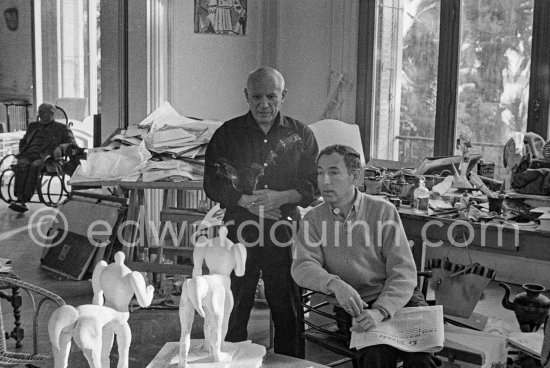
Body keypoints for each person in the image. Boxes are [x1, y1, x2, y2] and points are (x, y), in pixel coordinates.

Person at [203, 66, 318, 357]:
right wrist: (245, 201)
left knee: (287, 306)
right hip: (240, 229)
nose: (264, 104)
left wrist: (281, 197)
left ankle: (290, 363)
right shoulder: (227, 134)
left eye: (271, 96)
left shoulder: (302, 134)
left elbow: (313, 184)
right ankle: (231, 359)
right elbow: (212, 184)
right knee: (235, 302)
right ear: (246, 96)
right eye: (256, 97)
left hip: (284, 229)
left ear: (284, 96)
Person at [291, 144, 441, 368]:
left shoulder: (383, 211)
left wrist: (381, 310)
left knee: (422, 356)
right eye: (320, 173)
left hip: (399, 298)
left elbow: (403, 272)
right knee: (375, 355)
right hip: (354, 304)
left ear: (355, 176)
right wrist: (335, 284)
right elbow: (303, 266)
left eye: (333, 172)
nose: (324, 181)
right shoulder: (313, 219)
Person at [9, 102, 76, 212]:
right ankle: (19, 198)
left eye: (42, 112)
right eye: (39, 112)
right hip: (29, 154)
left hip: (48, 159)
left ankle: (23, 199)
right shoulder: (33, 126)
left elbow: (72, 144)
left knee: (35, 165)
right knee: (22, 163)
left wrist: (61, 147)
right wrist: (23, 151)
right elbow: (24, 141)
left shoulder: (62, 128)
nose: (39, 115)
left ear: (52, 113)